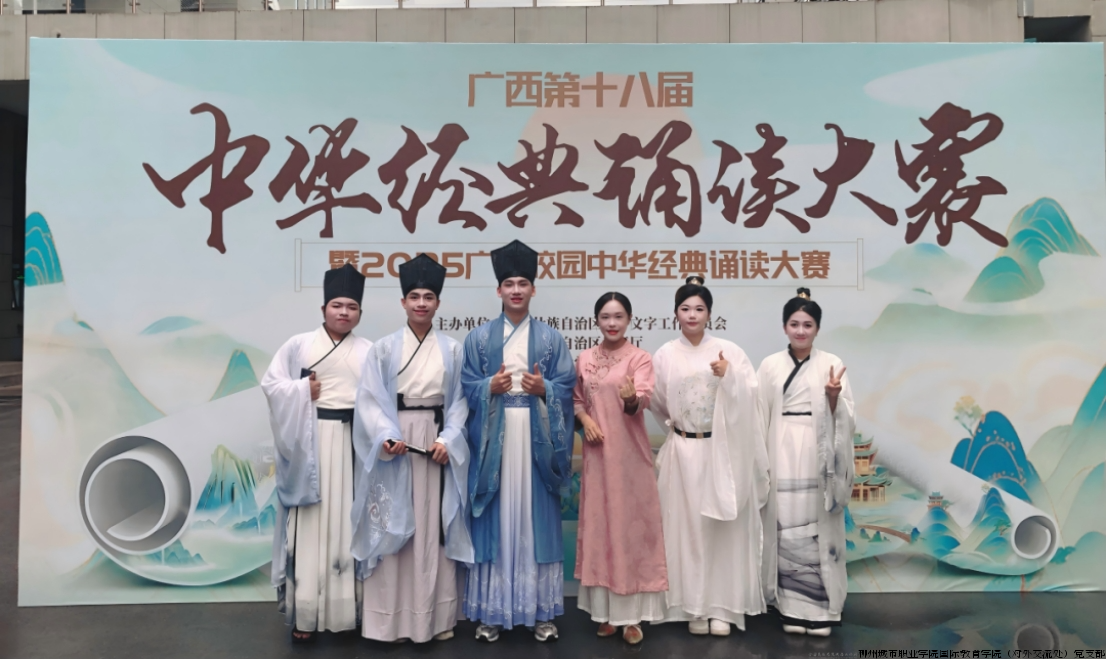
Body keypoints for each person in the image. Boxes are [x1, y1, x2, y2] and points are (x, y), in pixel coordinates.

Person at [352, 253, 473, 644]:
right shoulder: (384, 349)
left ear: (438, 303)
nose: (421, 303)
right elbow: (370, 400)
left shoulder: (453, 350)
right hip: (397, 443)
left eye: (428, 297)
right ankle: (392, 623)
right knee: (395, 526)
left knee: (432, 528)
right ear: (403, 302)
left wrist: (448, 440)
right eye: (415, 297)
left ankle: (434, 619)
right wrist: (386, 436)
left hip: (434, 441)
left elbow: (460, 403)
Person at [460, 239, 575, 643]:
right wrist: (486, 387)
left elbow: (566, 385)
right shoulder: (478, 338)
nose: (515, 290)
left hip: (537, 435)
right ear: (498, 290)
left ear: (533, 289)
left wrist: (546, 390)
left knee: (533, 517)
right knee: (497, 516)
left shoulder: (551, 339)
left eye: (523, 283)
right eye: (508, 283)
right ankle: (492, 611)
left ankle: (539, 611)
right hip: (494, 437)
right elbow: (466, 384)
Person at [649, 275, 769, 637]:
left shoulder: (730, 351)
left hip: (721, 453)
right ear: (675, 313)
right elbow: (658, 403)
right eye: (685, 308)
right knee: (686, 530)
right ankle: (692, 606)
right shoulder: (665, 354)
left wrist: (729, 377)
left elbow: (752, 399)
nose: (692, 315)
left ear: (710, 313)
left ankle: (722, 607)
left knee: (720, 530)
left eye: (699, 309)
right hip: (682, 452)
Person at [261, 263, 371, 644]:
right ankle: (305, 613)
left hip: (353, 444)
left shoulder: (369, 351)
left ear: (360, 312)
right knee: (309, 528)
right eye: (337, 305)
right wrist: (300, 392)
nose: (344, 312)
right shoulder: (299, 345)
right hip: (311, 443)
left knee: (347, 525)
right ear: (323, 308)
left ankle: (346, 613)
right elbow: (272, 385)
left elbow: (378, 401)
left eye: (352, 307)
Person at [758, 287, 854, 637]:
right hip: (781, 449)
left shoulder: (832, 363)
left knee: (818, 525)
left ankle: (823, 609)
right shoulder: (770, 365)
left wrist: (833, 398)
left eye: (808, 325)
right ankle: (791, 607)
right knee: (786, 525)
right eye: (794, 324)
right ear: (784, 326)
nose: (801, 331)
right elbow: (759, 416)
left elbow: (847, 417)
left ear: (817, 328)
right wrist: (762, 464)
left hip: (818, 451)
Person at [573, 292, 667, 646]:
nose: (612, 323)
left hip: (629, 458)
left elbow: (642, 399)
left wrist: (630, 399)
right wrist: (585, 420)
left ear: (629, 320)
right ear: (596, 320)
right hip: (597, 456)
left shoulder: (639, 358)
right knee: (601, 528)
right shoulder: (585, 358)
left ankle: (631, 617)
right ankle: (605, 613)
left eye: (618, 317)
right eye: (605, 317)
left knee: (629, 529)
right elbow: (576, 399)